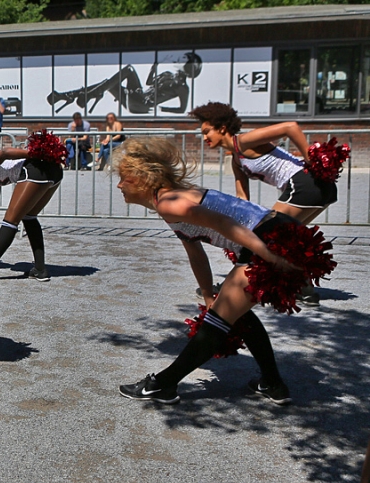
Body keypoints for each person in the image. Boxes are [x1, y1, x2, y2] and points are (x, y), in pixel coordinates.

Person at [115, 137, 318, 405]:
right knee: (234, 313)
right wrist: (209, 294)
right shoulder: (167, 202)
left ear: (143, 179)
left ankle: (162, 385)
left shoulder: (169, 202)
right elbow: (195, 253)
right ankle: (272, 383)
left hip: (272, 239)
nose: (119, 185)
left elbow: (222, 222)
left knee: (217, 321)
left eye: (124, 179)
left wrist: (267, 253)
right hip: (271, 236)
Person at [189, 101, 336, 306]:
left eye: (207, 131)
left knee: (266, 232)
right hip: (316, 189)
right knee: (286, 237)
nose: (204, 138)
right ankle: (306, 290)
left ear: (222, 128)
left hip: (305, 183)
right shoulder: (236, 160)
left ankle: (231, 287)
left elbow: (290, 127)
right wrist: (233, 226)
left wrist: (310, 159)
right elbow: (242, 199)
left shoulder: (244, 141)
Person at [0, 143, 63, 282]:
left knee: (10, 221)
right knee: (29, 217)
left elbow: (5, 152)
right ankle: (40, 270)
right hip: (54, 172)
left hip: (36, 170)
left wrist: (37, 154)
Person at [48, 52, 202, 115]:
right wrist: (153, 69)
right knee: (108, 83)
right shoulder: (167, 74)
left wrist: (160, 107)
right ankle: (68, 95)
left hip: (142, 103)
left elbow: (182, 110)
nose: (179, 59)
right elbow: (149, 82)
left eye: (183, 59)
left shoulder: (183, 88)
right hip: (137, 97)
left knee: (128, 69)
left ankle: (91, 94)